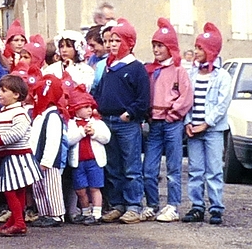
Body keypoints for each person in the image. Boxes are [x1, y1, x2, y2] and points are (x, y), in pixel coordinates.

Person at [93, 19, 150, 224]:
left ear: (129, 43)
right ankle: (117, 204)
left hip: (126, 123)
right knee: (113, 166)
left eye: (118, 40)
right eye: (112, 40)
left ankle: (134, 205)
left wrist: (130, 114)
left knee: (131, 166)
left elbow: (143, 99)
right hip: (107, 121)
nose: (113, 44)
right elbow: (101, 92)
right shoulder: (109, 67)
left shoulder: (136, 68)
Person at [143, 18, 193, 223]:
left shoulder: (180, 71)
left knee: (173, 167)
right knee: (149, 168)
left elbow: (186, 95)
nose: (156, 49)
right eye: (154, 45)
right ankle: (152, 205)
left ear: (170, 47)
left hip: (172, 123)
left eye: (160, 46)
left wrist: (174, 113)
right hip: (154, 123)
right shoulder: (152, 71)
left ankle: (172, 205)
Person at [183, 23, 232, 225]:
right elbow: (186, 100)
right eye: (196, 47)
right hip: (194, 130)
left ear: (211, 50)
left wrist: (206, 123)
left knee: (213, 169)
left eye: (201, 48)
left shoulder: (222, 76)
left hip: (212, 131)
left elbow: (222, 104)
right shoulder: (192, 75)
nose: (196, 52)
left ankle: (216, 207)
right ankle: (197, 207)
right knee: (195, 169)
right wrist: (188, 121)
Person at [0, 75, 41, 237]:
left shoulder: (20, 113)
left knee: (11, 190)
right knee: (16, 191)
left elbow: (17, 133)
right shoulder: (0, 114)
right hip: (7, 157)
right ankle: (16, 219)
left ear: (16, 94)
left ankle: (18, 222)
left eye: (4, 91)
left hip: (18, 157)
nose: (0, 94)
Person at [66, 84, 110, 225]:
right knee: (80, 189)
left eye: (91, 107)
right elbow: (68, 140)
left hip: (94, 161)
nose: (89, 110)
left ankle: (96, 213)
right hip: (78, 162)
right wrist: (81, 132)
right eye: (85, 107)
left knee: (95, 187)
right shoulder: (71, 124)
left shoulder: (97, 123)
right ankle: (85, 212)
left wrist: (94, 133)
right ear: (75, 108)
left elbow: (106, 138)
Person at [27, 75, 67, 228]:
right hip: (36, 157)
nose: (35, 97)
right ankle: (44, 213)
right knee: (39, 188)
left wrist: (47, 161)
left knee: (51, 187)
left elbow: (53, 141)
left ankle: (56, 214)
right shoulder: (40, 115)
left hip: (47, 161)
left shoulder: (52, 116)